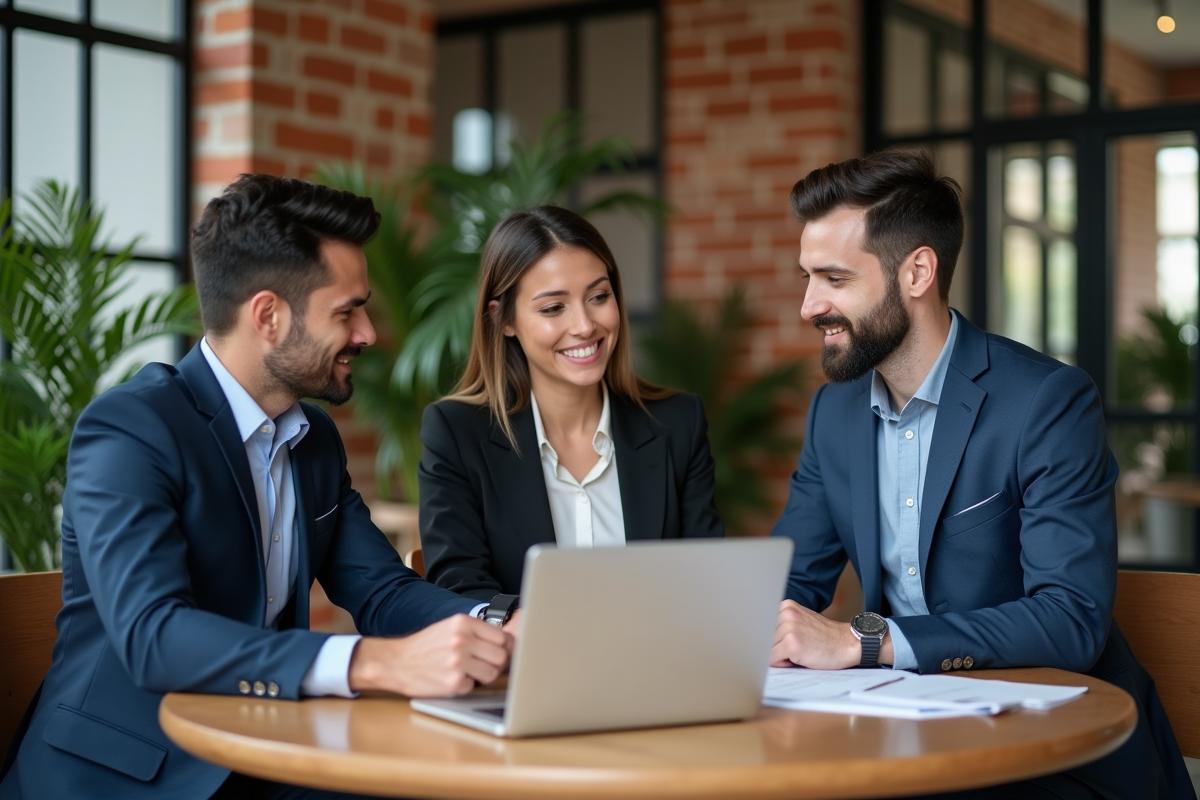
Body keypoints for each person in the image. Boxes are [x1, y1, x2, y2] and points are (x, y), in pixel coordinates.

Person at [0, 175, 515, 800]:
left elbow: (380, 589)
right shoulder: (130, 429)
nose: (369, 334)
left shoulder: (313, 440)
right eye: (347, 311)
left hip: (261, 754)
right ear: (268, 315)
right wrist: (371, 662)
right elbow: (153, 635)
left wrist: (498, 622)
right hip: (121, 776)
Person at [769, 150, 1192, 799]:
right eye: (806, 277)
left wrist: (866, 640)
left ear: (916, 271)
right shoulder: (834, 412)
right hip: (912, 741)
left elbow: (1069, 617)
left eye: (832, 278)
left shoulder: (1047, 401)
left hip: (1057, 755)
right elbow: (788, 579)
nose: (807, 305)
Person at [418, 206, 724, 601]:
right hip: (525, 661)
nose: (584, 325)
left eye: (598, 296)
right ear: (503, 320)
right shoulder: (456, 432)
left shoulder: (678, 423)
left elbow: (706, 580)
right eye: (553, 308)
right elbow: (459, 588)